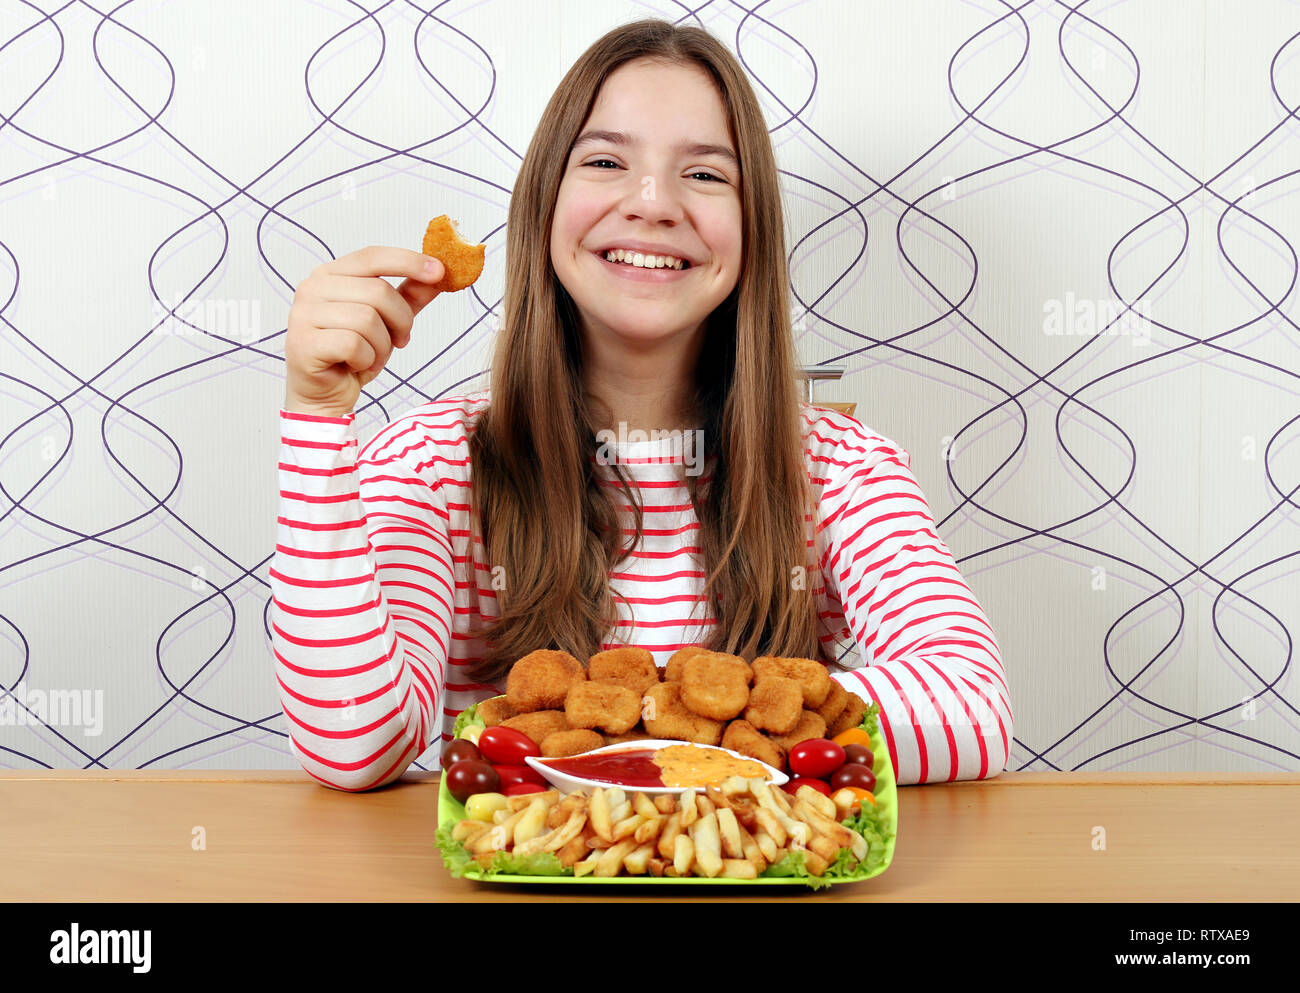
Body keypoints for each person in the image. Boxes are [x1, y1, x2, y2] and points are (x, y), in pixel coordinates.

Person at [271, 18, 1013, 792]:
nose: (654, 203)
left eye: (704, 174)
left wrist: (644, 720)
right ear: (543, 206)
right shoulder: (430, 464)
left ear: (752, 228)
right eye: (604, 160)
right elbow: (353, 743)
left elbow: (972, 705)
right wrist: (318, 417)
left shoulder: (840, 468)